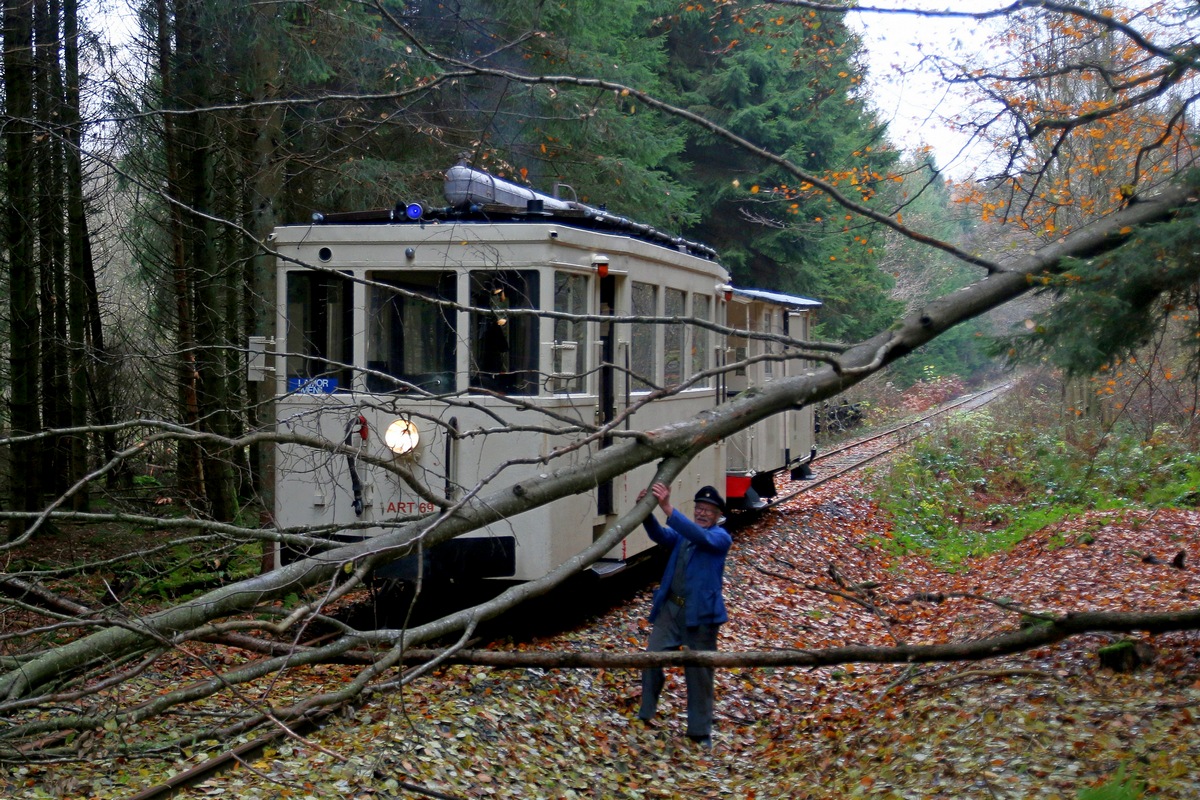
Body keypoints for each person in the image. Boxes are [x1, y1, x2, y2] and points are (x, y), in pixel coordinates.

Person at [636, 481, 732, 748]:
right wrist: (646, 510)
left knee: (699, 672)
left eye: (708, 511)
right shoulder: (683, 534)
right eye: (699, 508)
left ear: (718, 516)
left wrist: (668, 508)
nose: (702, 513)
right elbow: (660, 535)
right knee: (652, 657)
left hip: (702, 615)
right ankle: (646, 713)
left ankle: (700, 732)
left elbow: (702, 538)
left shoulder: (720, 537)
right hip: (671, 609)